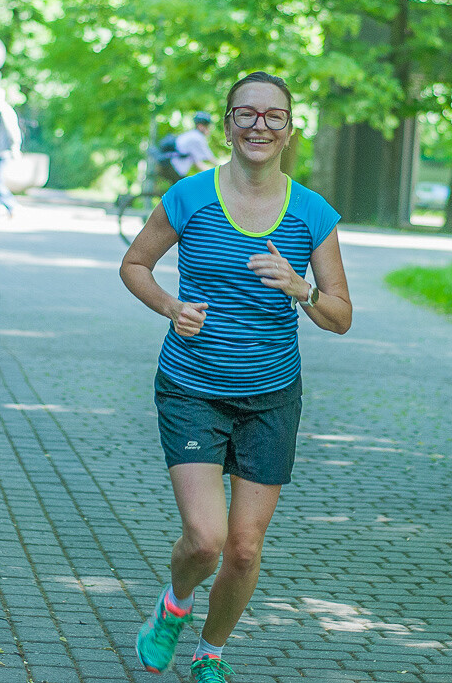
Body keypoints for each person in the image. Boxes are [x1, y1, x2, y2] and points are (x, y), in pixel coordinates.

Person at [120, 71, 352, 683]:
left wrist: (301, 288)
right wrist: (170, 307)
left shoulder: (312, 213)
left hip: (271, 397)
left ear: (289, 129)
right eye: (246, 114)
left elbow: (341, 315)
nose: (259, 125)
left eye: (273, 115)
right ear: (226, 124)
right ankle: (173, 606)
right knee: (205, 539)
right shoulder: (190, 197)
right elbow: (135, 264)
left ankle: (211, 651)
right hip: (193, 386)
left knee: (244, 548)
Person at [0, 88, 22, 220]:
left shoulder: (3, 112)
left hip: (4, 153)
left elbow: (12, 131)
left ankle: (12, 206)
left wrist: (15, 148)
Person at [157, 110, 217, 184]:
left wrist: (213, 174)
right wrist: (222, 171)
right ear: (200, 126)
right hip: (174, 167)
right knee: (187, 190)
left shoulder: (191, 135)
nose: (209, 129)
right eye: (207, 126)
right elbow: (209, 157)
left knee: (184, 189)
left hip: (171, 167)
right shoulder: (197, 138)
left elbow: (198, 163)